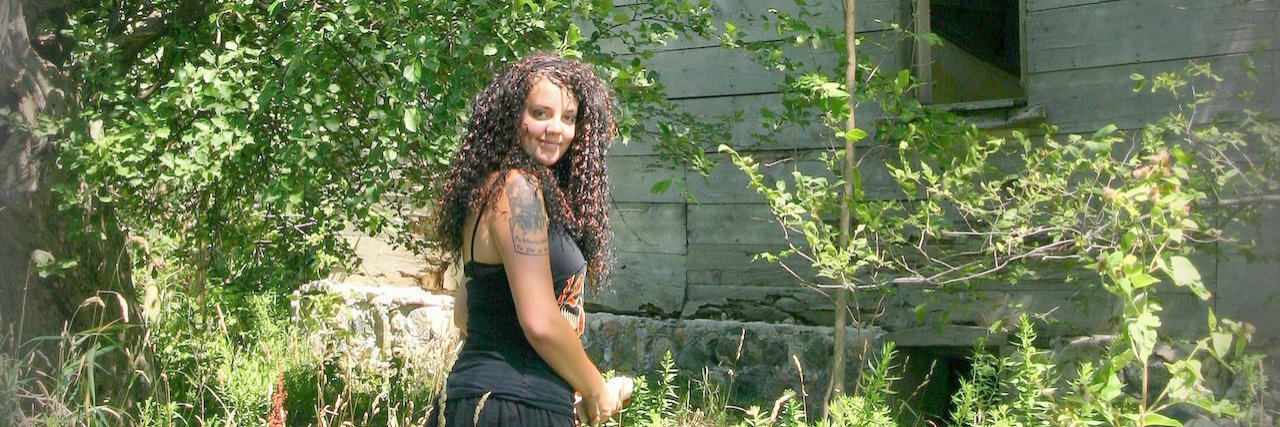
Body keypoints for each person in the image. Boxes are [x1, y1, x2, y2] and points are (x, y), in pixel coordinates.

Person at [429, 52, 626, 426]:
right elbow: (539, 320)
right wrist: (597, 389)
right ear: (511, 116)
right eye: (541, 113)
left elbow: (465, 312)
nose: (557, 128)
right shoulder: (519, 188)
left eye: (569, 118)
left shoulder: (489, 188)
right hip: (516, 409)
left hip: (471, 401)